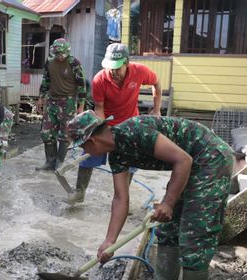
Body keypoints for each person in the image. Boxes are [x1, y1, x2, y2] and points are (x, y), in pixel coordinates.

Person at [67, 110, 233, 280]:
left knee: (195, 235)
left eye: (82, 146)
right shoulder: (117, 155)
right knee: (167, 230)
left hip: (211, 158)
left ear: (92, 140)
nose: (83, 150)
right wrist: (110, 240)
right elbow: (120, 199)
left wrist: (168, 202)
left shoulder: (135, 131)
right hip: (190, 165)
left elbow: (183, 160)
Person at [65, 43, 162, 205]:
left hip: (131, 124)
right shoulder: (100, 79)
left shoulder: (140, 71)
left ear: (127, 63)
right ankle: (79, 192)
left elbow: (157, 82)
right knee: (89, 153)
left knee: (129, 162)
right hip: (107, 122)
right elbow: (99, 108)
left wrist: (157, 108)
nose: (113, 72)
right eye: (110, 67)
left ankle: (122, 199)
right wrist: (103, 131)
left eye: (117, 68)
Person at [35, 38, 87, 171]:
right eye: (57, 53)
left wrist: (81, 106)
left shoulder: (73, 63)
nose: (60, 56)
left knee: (65, 134)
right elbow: (46, 80)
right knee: (47, 133)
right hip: (52, 100)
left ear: (67, 52)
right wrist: (41, 98)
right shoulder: (49, 62)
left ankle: (59, 163)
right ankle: (49, 162)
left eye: (62, 53)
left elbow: (81, 85)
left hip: (68, 102)